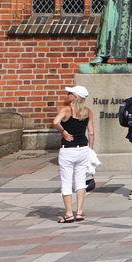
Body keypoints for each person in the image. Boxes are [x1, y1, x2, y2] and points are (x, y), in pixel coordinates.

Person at [54, 85, 96, 222]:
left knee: (66, 181)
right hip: (83, 148)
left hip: (68, 149)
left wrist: (63, 131)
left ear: (75, 96)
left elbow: (55, 122)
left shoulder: (66, 110)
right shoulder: (87, 112)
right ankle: (79, 211)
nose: (67, 94)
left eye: (70, 93)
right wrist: (90, 149)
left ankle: (68, 213)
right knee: (80, 181)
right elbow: (91, 132)